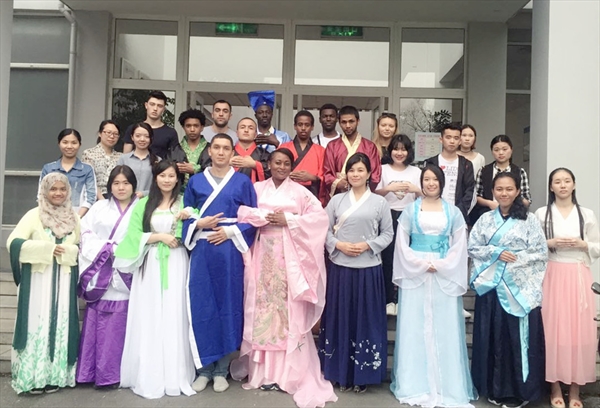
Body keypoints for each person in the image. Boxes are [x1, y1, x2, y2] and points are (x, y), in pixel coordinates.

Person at [230, 149, 337, 408]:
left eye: (286, 163)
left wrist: (288, 219)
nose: (281, 167)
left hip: (289, 258)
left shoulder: (301, 192)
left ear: (291, 166)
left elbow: (319, 219)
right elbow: (241, 212)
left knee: (287, 312)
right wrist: (261, 217)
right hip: (262, 255)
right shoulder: (256, 188)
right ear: (268, 164)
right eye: (277, 162)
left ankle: (288, 373)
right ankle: (263, 373)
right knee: (262, 311)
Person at [391, 164, 477, 407]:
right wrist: (419, 263)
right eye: (426, 179)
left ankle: (446, 385)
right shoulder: (410, 210)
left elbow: (460, 244)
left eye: (435, 180)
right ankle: (414, 383)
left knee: (444, 324)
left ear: (442, 183)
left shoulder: (454, 212)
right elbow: (402, 242)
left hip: (443, 271)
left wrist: (442, 264)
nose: (430, 183)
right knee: (414, 324)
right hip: (416, 271)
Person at [113, 161, 195, 399]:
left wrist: (187, 219)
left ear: (177, 179)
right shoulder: (144, 203)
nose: (167, 180)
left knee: (174, 312)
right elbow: (133, 234)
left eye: (171, 176)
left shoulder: (184, 202)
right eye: (162, 175)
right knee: (150, 313)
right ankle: (149, 372)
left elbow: (194, 225)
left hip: (176, 261)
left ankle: (175, 373)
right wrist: (159, 237)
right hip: (150, 263)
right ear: (155, 178)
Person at [183, 134, 257, 393]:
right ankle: (204, 369)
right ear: (209, 151)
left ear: (232, 153)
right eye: (217, 147)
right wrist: (198, 223)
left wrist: (230, 232)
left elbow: (253, 217)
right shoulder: (195, 181)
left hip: (229, 251)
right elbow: (186, 213)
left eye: (226, 148)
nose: (221, 152)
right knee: (202, 305)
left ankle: (221, 369)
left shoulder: (242, 181)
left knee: (228, 305)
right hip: (202, 249)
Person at [469, 172, 548, 408]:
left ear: (517, 191)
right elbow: (473, 247)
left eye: (509, 189)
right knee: (493, 338)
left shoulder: (530, 220)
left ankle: (520, 392)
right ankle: (493, 388)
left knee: (517, 340)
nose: (504, 193)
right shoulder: (485, 220)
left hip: (518, 290)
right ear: (493, 191)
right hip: (492, 289)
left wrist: (510, 261)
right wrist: (496, 253)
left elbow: (540, 253)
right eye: (499, 189)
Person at [319, 153, 393, 393]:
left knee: (366, 321)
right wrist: (338, 245)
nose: (356, 174)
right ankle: (339, 372)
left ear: (369, 173)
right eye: (351, 170)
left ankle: (363, 374)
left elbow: (388, 234)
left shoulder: (380, 203)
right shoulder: (336, 201)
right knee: (340, 319)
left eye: (360, 170)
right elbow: (323, 230)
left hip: (368, 270)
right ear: (346, 174)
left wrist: (368, 245)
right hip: (340, 269)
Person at [7, 173, 80, 394]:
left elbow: (80, 245)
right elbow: (13, 242)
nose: (58, 193)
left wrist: (69, 251)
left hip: (63, 280)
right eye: (53, 189)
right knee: (36, 323)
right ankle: (33, 377)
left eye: (62, 189)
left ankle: (54, 376)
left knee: (60, 324)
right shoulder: (34, 215)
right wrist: (46, 249)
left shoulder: (74, 217)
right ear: (44, 191)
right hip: (38, 280)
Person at [534, 168, 599, 408]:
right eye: (557, 182)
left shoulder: (587, 214)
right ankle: (554, 387)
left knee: (579, 332)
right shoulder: (542, 214)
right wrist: (549, 242)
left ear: (574, 184)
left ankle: (575, 390)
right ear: (551, 187)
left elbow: (597, 245)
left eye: (567, 181)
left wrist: (583, 245)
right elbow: (532, 245)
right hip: (553, 272)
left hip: (579, 274)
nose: (562, 185)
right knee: (553, 330)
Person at [76, 165, 138, 388]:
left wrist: (121, 250)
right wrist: (106, 248)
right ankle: (89, 372)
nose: (121, 188)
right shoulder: (99, 207)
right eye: (116, 183)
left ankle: (113, 374)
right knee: (96, 324)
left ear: (133, 186)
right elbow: (84, 232)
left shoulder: (141, 209)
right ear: (110, 186)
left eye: (126, 183)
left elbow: (143, 237)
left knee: (118, 327)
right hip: (101, 269)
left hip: (125, 271)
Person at [374, 134, 421, 315]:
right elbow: (373, 194)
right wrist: (389, 189)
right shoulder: (382, 169)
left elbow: (425, 196)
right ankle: (388, 299)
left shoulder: (416, 172)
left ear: (409, 152)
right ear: (390, 151)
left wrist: (416, 189)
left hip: (409, 217)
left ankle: (404, 298)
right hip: (387, 216)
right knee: (387, 259)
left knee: (407, 258)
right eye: (396, 149)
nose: (399, 153)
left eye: (403, 149)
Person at [323, 105, 381, 205]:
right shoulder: (332, 146)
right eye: (344, 122)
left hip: (362, 197)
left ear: (358, 121)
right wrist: (338, 183)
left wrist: (357, 184)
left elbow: (375, 175)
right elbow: (327, 174)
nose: (348, 125)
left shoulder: (369, 146)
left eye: (351, 121)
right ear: (339, 122)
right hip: (339, 197)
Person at [472, 134, 532, 225]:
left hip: (514, 216)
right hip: (488, 215)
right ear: (492, 151)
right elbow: (476, 196)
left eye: (504, 149)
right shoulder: (484, 171)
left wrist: (512, 202)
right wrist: (490, 203)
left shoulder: (520, 172)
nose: (500, 153)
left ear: (511, 150)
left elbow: (527, 200)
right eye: (496, 150)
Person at [40, 128, 97, 217]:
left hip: (79, 217)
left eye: (74, 143)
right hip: (52, 217)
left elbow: (91, 197)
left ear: (80, 144)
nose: (69, 146)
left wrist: (77, 217)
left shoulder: (87, 169)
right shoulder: (48, 168)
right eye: (65, 142)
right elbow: (41, 194)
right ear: (59, 144)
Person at [424, 124, 475, 222]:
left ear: (460, 141)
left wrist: (459, 213)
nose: (452, 141)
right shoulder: (431, 163)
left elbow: (470, 192)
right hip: (433, 214)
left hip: (457, 216)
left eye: (456, 138)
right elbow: (424, 188)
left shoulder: (466, 164)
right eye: (448, 137)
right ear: (441, 139)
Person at [279, 110, 326, 201]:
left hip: (311, 194)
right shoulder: (284, 147)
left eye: (307, 125)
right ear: (295, 126)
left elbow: (325, 176)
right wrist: (287, 174)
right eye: (300, 125)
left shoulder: (320, 150)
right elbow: (275, 170)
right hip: (287, 192)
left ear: (312, 127)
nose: (303, 128)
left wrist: (312, 177)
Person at [122, 91, 178, 159]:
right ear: (146, 105)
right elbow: (126, 157)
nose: (155, 109)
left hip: (161, 165)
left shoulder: (170, 132)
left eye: (159, 106)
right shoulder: (133, 129)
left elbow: (175, 158)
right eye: (152, 104)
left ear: (163, 109)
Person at [167, 109, 210, 190]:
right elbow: (166, 170)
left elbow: (217, 170)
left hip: (204, 192)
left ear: (202, 127)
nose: (192, 129)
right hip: (178, 193)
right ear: (183, 127)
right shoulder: (174, 150)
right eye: (188, 126)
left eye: (196, 126)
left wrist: (196, 169)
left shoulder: (211, 149)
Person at [117, 122, 161, 197]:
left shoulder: (158, 160)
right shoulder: (124, 159)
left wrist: (144, 193)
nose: (142, 139)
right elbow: (117, 181)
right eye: (138, 136)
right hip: (126, 199)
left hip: (150, 200)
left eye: (146, 136)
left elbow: (160, 185)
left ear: (151, 138)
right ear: (132, 137)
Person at [81, 120, 122, 200]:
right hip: (94, 198)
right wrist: (102, 200)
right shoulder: (89, 154)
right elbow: (89, 180)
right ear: (100, 133)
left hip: (116, 198)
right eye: (108, 132)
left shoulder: (121, 156)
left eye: (115, 134)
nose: (112, 136)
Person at [227, 118, 270, 183]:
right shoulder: (228, 151)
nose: (246, 130)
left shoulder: (263, 153)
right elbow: (213, 166)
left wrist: (254, 164)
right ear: (237, 133)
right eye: (242, 127)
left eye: (250, 128)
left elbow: (272, 171)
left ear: (255, 134)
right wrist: (226, 163)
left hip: (255, 189)